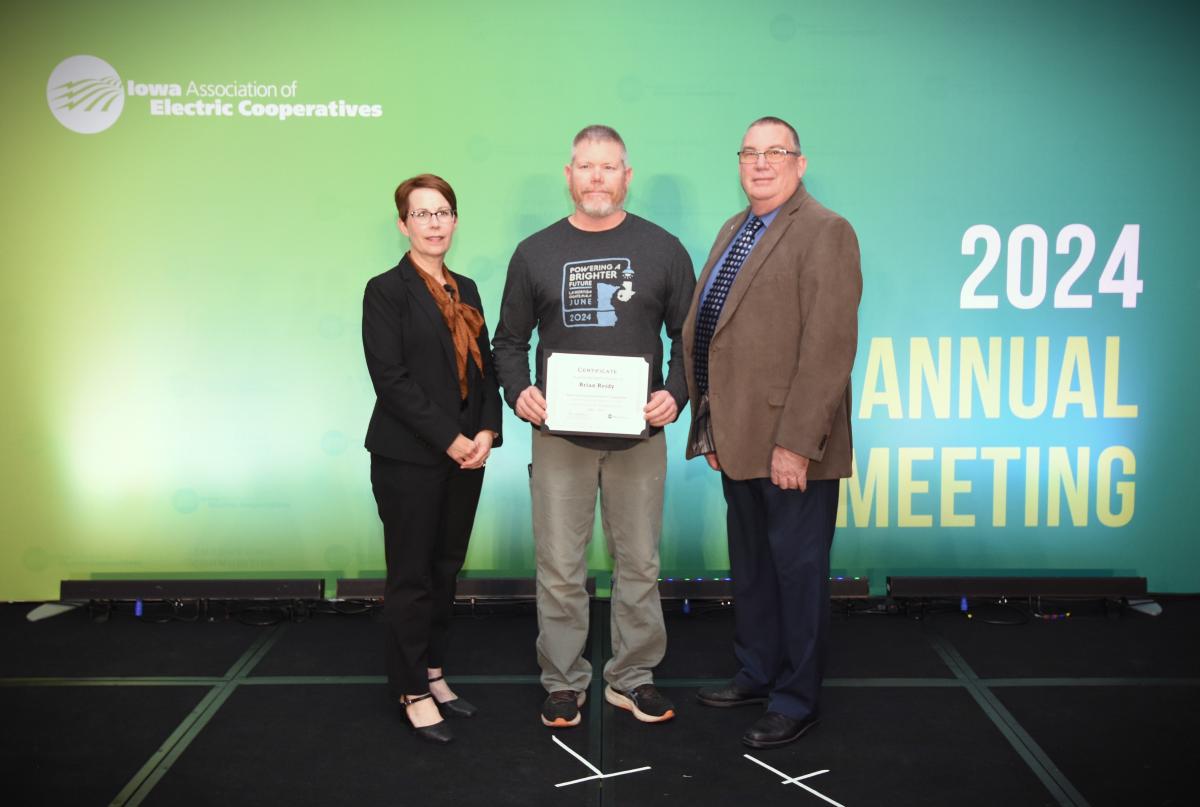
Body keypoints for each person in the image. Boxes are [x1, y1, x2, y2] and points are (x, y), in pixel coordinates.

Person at [492, 125, 696, 728]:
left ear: (626, 176)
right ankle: (563, 681)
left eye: (609, 167)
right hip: (560, 437)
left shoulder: (664, 249)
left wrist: (676, 395)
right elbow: (508, 343)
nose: (598, 178)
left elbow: (688, 342)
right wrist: (518, 390)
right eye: (587, 167)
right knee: (559, 566)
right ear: (569, 175)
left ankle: (632, 678)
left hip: (639, 437)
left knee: (640, 564)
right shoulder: (534, 252)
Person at [684, 117, 861, 749]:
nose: (761, 163)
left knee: (797, 574)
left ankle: (795, 697)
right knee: (754, 569)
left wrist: (796, 444)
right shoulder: (736, 229)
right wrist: (711, 426)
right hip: (738, 438)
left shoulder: (826, 231)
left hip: (792, 447)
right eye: (750, 153)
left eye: (775, 152)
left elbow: (828, 349)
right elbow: (715, 334)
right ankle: (757, 673)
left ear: (800, 162)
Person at [362, 173, 503, 745]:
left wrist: (488, 431)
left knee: (446, 570)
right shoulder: (385, 290)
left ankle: (435, 671)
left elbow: (486, 368)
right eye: (422, 214)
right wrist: (450, 438)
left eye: (443, 212)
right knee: (412, 576)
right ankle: (411, 688)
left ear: (455, 220)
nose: (435, 223)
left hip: (468, 456)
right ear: (403, 225)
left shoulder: (465, 286)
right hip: (410, 457)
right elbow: (391, 380)